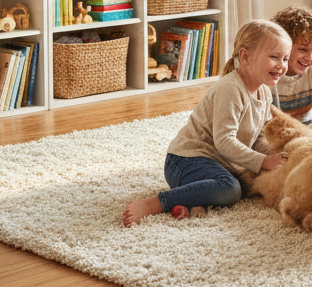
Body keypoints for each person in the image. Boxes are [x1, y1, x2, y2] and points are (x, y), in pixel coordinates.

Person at [122, 20, 292, 226]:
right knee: (230, 189)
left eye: (285, 58)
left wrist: (274, 156)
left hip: (221, 164)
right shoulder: (230, 89)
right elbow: (225, 142)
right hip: (186, 160)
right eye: (274, 57)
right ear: (245, 57)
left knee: (252, 185)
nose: (281, 65)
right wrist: (263, 161)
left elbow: (259, 136)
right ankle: (155, 203)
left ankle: (194, 198)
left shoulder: (264, 91)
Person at [269, 4, 312, 138]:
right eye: (303, 49)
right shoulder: (269, 73)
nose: (309, 57)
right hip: (278, 135)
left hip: (310, 133)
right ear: (283, 45)